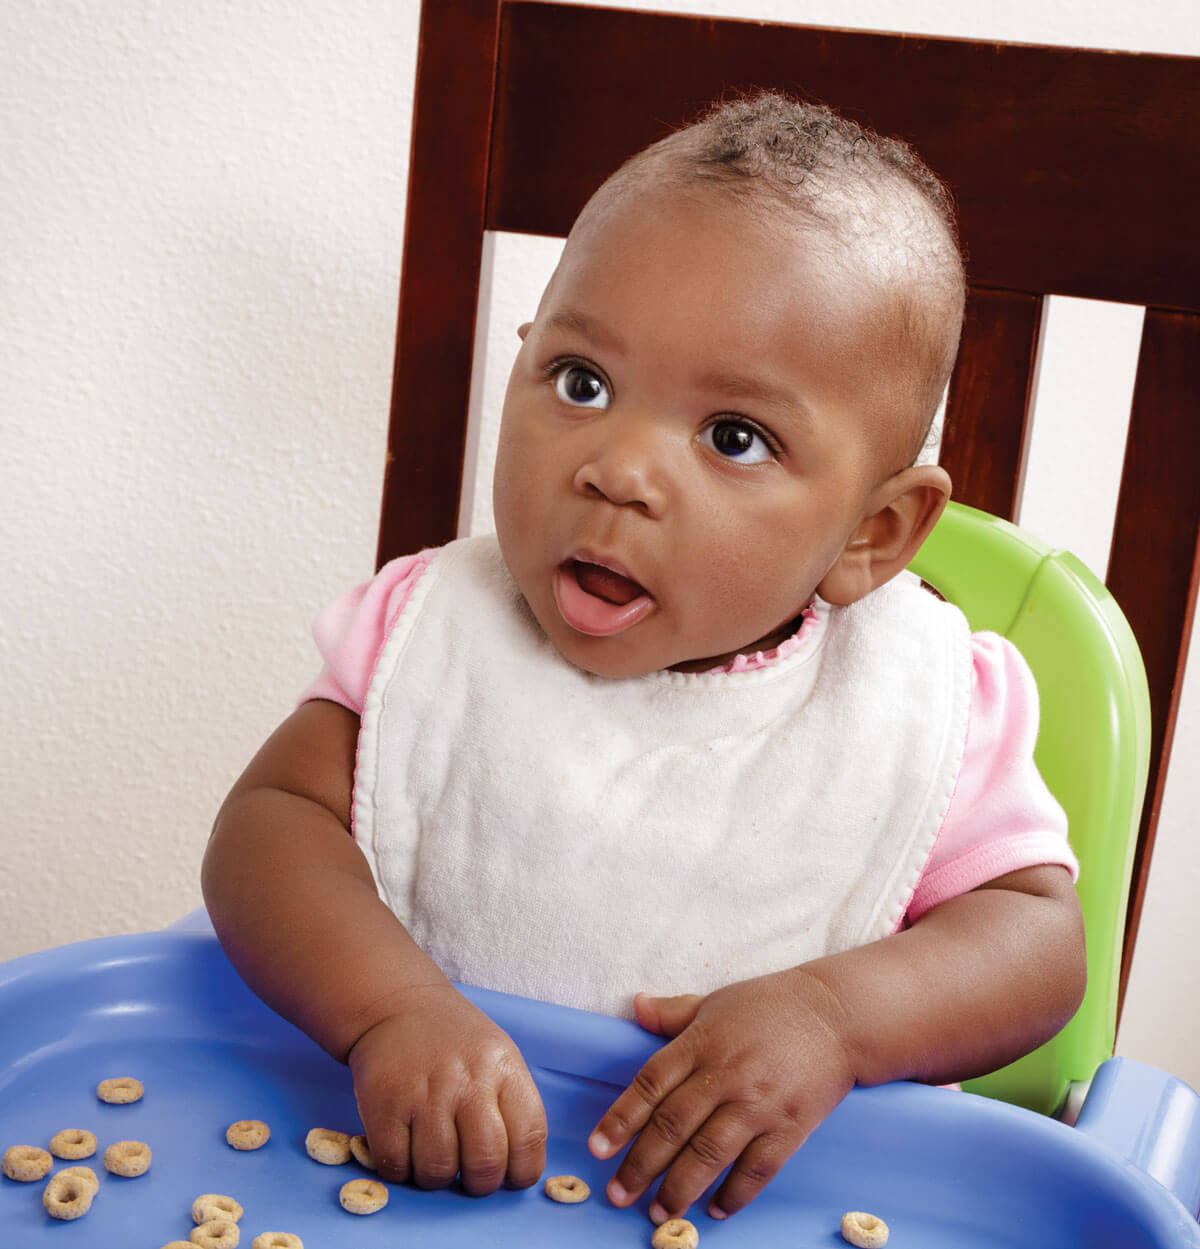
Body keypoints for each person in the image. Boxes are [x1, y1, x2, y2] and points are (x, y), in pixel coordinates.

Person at [203, 92, 1085, 1227]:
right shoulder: (433, 634)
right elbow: (269, 823)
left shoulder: (917, 705)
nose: (617, 467)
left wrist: (832, 1018)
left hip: (763, 1205)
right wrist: (387, 1011)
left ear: (872, 534)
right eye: (582, 382)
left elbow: (1035, 944)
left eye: (734, 437)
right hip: (413, 1191)